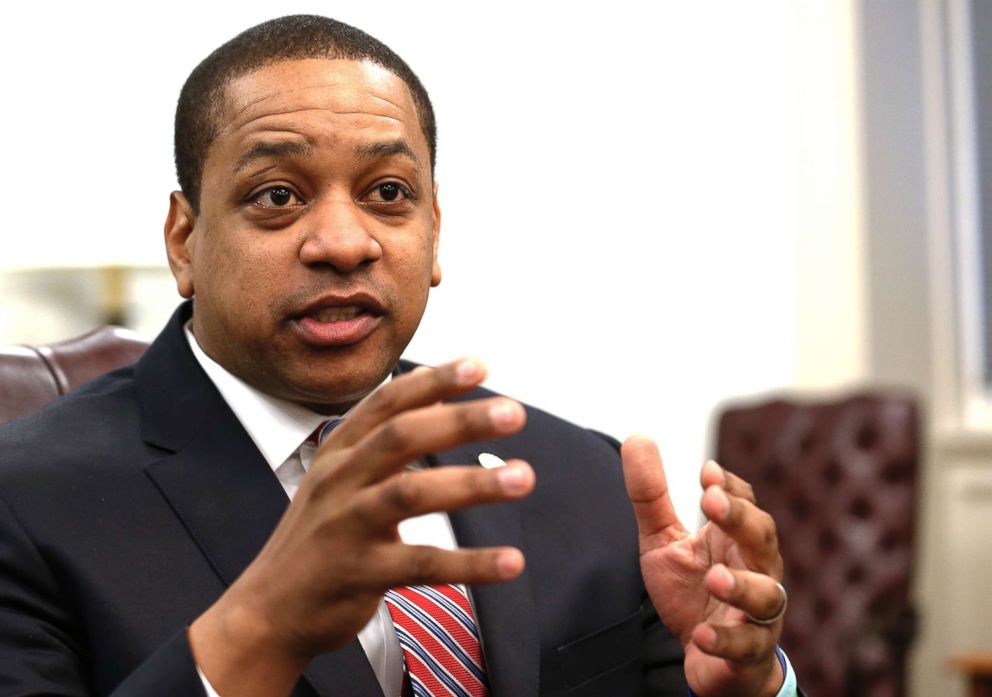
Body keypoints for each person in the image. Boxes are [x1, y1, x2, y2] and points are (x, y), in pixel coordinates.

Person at [0, 15, 801, 697]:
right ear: (185, 239)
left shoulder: (582, 480)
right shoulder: (24, 505)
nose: (345, 244)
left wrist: (752, 683)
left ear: (434, 229)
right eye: (278, 195)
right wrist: (257, 632)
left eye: (388, 193)